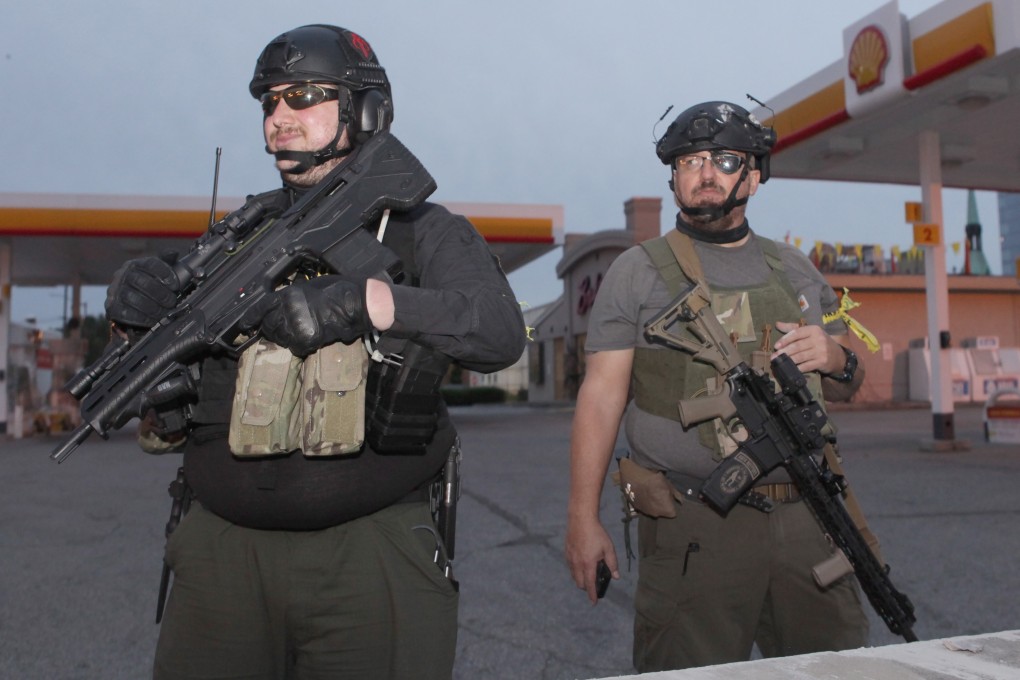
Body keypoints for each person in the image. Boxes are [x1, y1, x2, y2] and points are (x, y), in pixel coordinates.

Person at [104, 24, 525, 680]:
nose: (279, 116)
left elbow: (498, 331)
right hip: (220, 554)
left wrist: (367, 302)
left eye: (303, 96)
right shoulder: (234, 241)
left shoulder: (422, 231)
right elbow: (169, 391)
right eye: (269, 101)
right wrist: (137, 318)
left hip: (369, 553)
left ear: (364, 108)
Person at [563, 100, 869, 671]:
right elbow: (601, 396)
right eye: (690, 160)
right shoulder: (636, 270)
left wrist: (834, 356)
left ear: (753, 176)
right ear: (674, 177)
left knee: (842, 666)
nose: (705, 172)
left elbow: (850, 383)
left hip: (808, 519)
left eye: (725, 160)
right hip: (695, 526)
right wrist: (583, 516)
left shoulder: (795, 269)